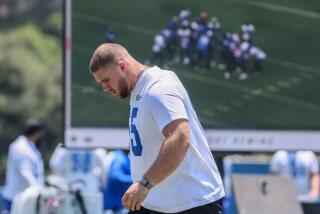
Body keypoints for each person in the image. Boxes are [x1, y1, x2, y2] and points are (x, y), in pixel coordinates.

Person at [89, 43, 225, 213]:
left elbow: (180, 138)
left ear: (122, 66)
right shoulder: (140, 89)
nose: (105, 88)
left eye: (106, 80)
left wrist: (145, 183)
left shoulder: (158, 88)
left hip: (191, 203)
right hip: (155, 204)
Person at [1, 119, 44, 212]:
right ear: (37, 133)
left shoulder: (29, 146)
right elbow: (25, 171)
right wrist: (37, 188)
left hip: (26, 198)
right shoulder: (21, 147)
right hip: (15, 198)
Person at [102, 149, 132, 214]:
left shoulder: (125, 157)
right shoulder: (118, 157)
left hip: (121, 205)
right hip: (113, 206)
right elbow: (116, 177)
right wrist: (138, 182)